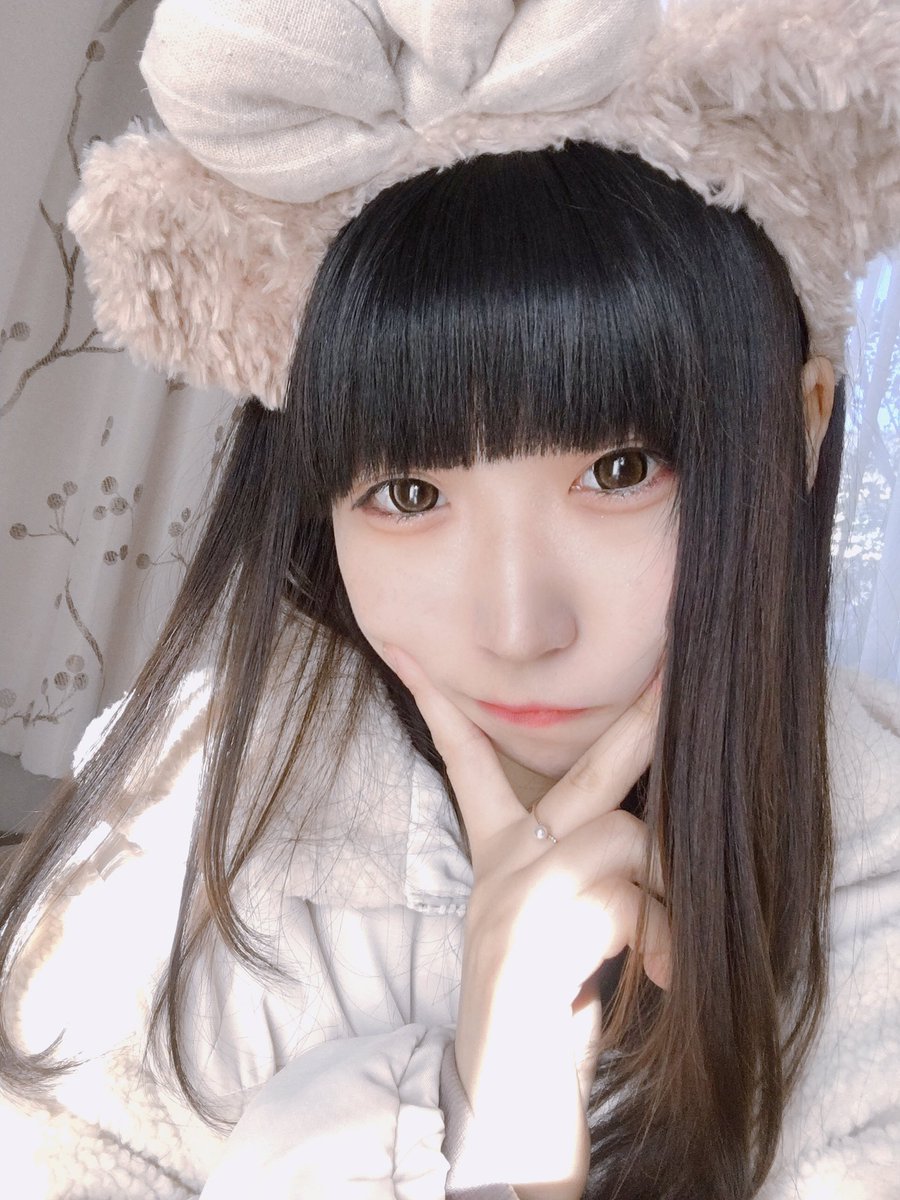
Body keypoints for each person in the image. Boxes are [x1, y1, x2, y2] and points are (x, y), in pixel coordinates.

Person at [1, 3, 899, 1198]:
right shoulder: (187, 811)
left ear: (802, 424)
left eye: (621, 471)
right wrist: (477, 1118)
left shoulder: (878, 884)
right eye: (411, 492)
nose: (518, 630)